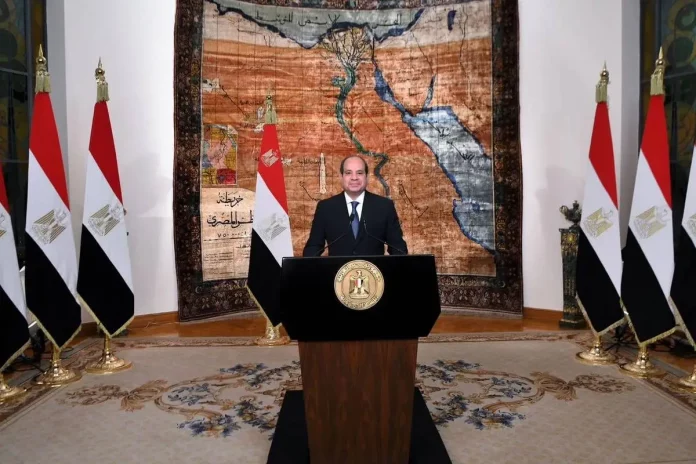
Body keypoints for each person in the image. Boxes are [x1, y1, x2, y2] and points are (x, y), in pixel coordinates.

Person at [303, 155, 408, 256]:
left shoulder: (384, 206)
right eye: (348, 173)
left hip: (373, 268)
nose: (354, 178)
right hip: (338, 268)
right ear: (341, 177)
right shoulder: (325, 208)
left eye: (359, 173)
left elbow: (398, 248)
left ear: (367, 177)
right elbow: (313, 248)